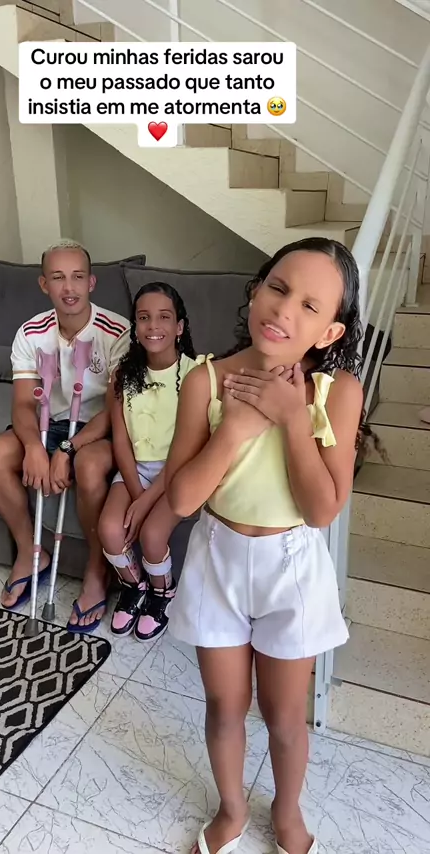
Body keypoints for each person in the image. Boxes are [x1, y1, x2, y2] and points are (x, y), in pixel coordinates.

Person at [165, 238, 365, 854]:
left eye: (309, 305)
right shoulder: (205, 379)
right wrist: (236, 430)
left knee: (283, 716)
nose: (284, 309)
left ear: (330, 332)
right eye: (277, 287)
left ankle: (286, 810)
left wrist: (292, 418)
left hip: (292, 569)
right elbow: (181, 499)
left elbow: (322, 509)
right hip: (218, 558)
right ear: (255, 292)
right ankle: (230, 809)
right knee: (224, 705)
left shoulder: (338, 393)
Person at [0, 239, 129, 633]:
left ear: (91, 282)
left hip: (99, 429)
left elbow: (116, 412)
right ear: (44, 284)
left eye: (78, 277)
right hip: (50, 423)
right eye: (58, 278)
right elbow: (23, 404)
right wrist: (33, 446)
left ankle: (97, 571)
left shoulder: (117, 332)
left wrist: (67, 448)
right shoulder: (30, 333)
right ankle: (31, 553)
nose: (69, 287)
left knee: (90, 464)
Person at [98, 282, 197, 642]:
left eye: (164, 317)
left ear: (179, 326)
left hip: (178, 472)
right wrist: (136, 492)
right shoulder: (123, 376)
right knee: (110, 529)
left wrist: (147, 501)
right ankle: (134, 585)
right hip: (135, 470)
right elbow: (120, 439)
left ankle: (162, 591)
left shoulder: (196, 375)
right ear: (135, 327)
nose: (153, 325)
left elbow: (189, 448)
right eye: (143, 318)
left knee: (153, 534)